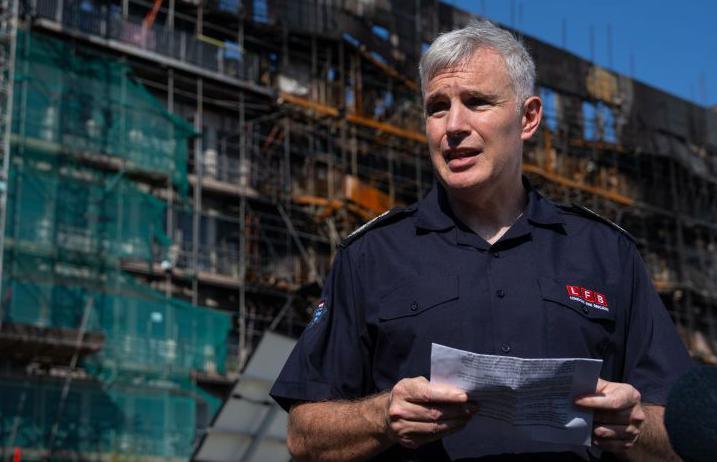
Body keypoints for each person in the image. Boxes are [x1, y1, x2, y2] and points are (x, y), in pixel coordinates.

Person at [271, 20, 692, 461]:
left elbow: (683, 438)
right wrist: (383, 415)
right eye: (437, 107)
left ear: (528, 117)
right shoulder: (371, 255)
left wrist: (633, 424)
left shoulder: (607, 253)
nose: (454, 125)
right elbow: (303, 437)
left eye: (476, 102)